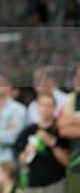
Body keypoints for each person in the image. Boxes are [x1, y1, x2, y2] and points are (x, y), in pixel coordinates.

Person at [14, 93, 68, 193]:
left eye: (49, 105)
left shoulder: (61, 130)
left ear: (54, 108)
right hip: (33, 185)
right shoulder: (28, 131)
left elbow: (66, 161)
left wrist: (52, 142)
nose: (45, 109)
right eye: (42, 105)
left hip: (56, 183)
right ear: (37, 107)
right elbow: (21, 161)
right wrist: (27, 151)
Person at [57, 63, 80, 193]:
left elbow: (66, 124)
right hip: (75, 166)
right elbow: (62, 129)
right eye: (76, 76)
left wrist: (71, 120)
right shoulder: (70, 99)